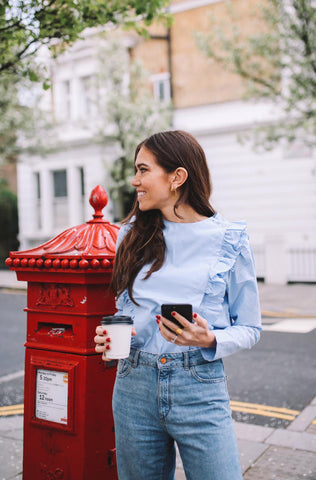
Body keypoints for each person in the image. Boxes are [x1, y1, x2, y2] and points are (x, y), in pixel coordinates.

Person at [94, 130, 261, 480]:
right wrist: (111, 344)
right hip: (133, 385)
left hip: (198, 385)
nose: (134, 180)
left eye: (143, 170)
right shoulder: (130, 235)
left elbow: (250, 328)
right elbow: (126, 313)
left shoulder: (230, 240)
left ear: (177, 178)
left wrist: (211, 339)